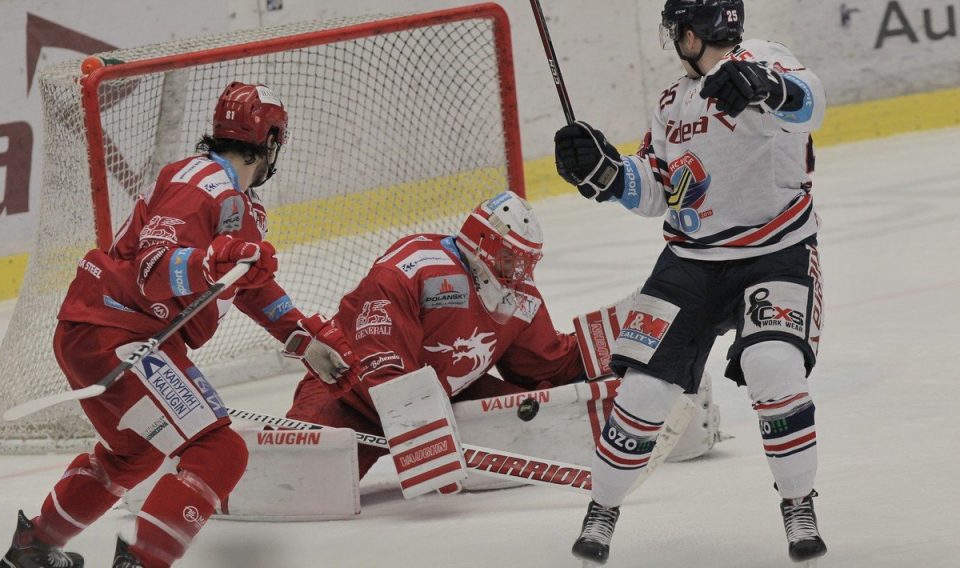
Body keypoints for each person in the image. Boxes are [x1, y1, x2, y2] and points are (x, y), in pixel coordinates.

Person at [0, 82, 358, 568]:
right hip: (119, 332)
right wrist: (210, 262)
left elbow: (248, 285)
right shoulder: (200, 183)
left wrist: (304, 338)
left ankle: (33, 550)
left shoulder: (240, 201)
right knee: (220, 450)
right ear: (271, 141)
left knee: (134, 455)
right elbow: (152, 270)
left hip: (107, 330)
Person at [552, 0, 828, 564]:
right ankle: (602, 509)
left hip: (775, 253)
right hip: (689, 263)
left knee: (773, 365)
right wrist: (605, 172)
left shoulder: (765, 59)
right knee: (643, 391)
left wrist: (768, 87)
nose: (674, 40)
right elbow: (659, 190)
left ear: (693, 32)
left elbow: (811, 103)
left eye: (677, 30)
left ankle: (798, 503)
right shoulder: (672, 101)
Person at [286, 191, 588, 481]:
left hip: (446, 398)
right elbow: (379, 360)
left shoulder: (519, 297)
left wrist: (604, 347)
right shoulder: (412, 268)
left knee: (537, 426)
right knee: (294, 477)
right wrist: (424, 431)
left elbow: (545, 362)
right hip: (352, 396)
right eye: (511, 258)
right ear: (482, 243)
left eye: (526, 262)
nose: (519, 272)